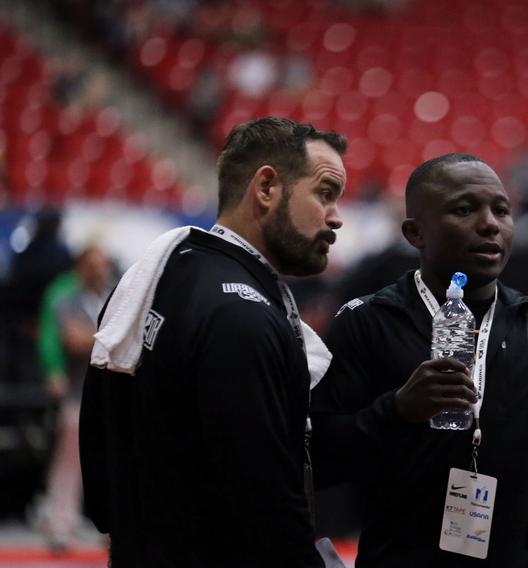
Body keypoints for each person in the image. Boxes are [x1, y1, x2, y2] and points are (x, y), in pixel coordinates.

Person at [79, 117, 347, 566]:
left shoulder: (157, 277)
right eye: (324, 193)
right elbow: (264, 503)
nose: (336, 217)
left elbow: (100, 464)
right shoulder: (241, 316)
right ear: (266, 188)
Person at [311, 153, 528, 566]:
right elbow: (319, 458)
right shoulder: (368, 322)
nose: (490, 224)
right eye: (464, 209)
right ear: (414, 232)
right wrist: (396, 411)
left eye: (501, 210)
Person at [38, 245, 112, 551]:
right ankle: (60, 525)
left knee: (113, 460)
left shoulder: (114, 297)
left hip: (110, 393)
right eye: (91, 264)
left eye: (102, 264)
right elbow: (72, 340)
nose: (97, 270)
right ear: (81, 268)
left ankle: (113, 526)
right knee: (69, 462)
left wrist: (91, 335)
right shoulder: (67, 300)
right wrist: (109, 335)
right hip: (78, 391)